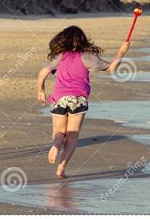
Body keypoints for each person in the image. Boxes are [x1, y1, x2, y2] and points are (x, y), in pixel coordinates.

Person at [37, 26, 130, 178]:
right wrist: (122, 51)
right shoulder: (88, 57)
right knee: (72, 136)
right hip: (78, 99)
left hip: (59, 98)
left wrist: (41, 91)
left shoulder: (60, 56)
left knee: (59, 132)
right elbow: (112, 68)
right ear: (82, 40)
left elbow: (42, 74)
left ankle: (55, 145)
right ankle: (61, 169)